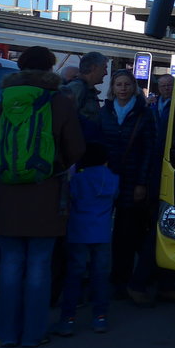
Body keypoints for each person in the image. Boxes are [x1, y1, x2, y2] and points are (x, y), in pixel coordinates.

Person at [0, 46, 84, 348]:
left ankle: (7, 333)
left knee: (10, 265)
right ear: (49, 69)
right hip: (46, 195)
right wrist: (55, 167)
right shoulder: (59, 101)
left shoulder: (5, 102)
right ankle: (32, 334)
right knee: (40, 266)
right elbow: (77, 149)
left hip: (8, 196)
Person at [95, 69, 160, 306]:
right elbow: (98, 143)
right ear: (112, 89)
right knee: (102, 230)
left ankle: (124, 280)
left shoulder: (145, 114)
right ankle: (116, 279)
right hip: (107, 177)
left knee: (126, 230)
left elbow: (149, 151)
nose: (122, 88)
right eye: (118, 85)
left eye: (127, 85)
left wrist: (142, 182)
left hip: (133, 179)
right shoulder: (105, 113)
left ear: (134, 88)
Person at [55, 141, 117, 336]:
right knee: (100, 276)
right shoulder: (113, 179)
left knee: (74, 276)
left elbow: (68, 199)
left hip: (78, 233)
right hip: (102, 233)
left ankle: (68, 320)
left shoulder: (77, 180)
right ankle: (100, 318)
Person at [63, 52, 108, 127]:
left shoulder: (87, 89)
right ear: (94, 68)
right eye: (104, 68)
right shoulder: (77, 88)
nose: (106, 73)